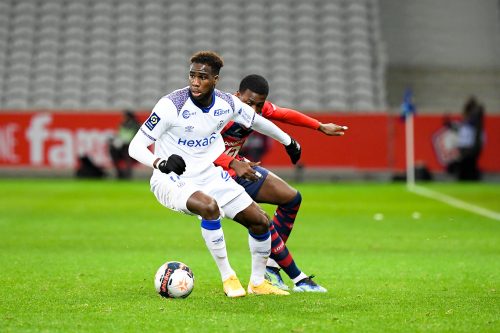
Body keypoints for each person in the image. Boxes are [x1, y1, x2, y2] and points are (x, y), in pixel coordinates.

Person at [128, 51, 302, 297]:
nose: (195, 82)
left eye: (203, 77)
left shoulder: (226, 104)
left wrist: (288, 141)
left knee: (260, 221)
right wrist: (161, 162)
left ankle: (257, 283)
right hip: (171, 179)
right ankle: (228, 277)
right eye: (192, 76)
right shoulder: (171, 105)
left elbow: (256, 120)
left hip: (210, 175)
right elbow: (135, 146)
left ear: (215, 79)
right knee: (209, 207)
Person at [214, 74, 348, 292]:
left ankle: (271, 268)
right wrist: (230, 163)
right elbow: (198, 152)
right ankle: (299, 278)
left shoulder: (254, 109)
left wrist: (320, 126)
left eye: (259, 105)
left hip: (238, 166)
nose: (255, 110)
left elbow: (284, 114)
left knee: (291, 198)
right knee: (259, 219)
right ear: (237, 96)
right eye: (249, 104)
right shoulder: (220, 112)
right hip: (215, 175)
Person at [109, 110, 141, 179]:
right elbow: (119, 135)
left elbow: (133, 137)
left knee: (127, 151)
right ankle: (119, 172)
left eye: (124, 116)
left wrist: (123, 141)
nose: (123, 118)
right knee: (112, 150)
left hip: (132, 148)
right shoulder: (122, 125)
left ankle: (127, 174)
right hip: (121, 147)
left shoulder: (136, 125)